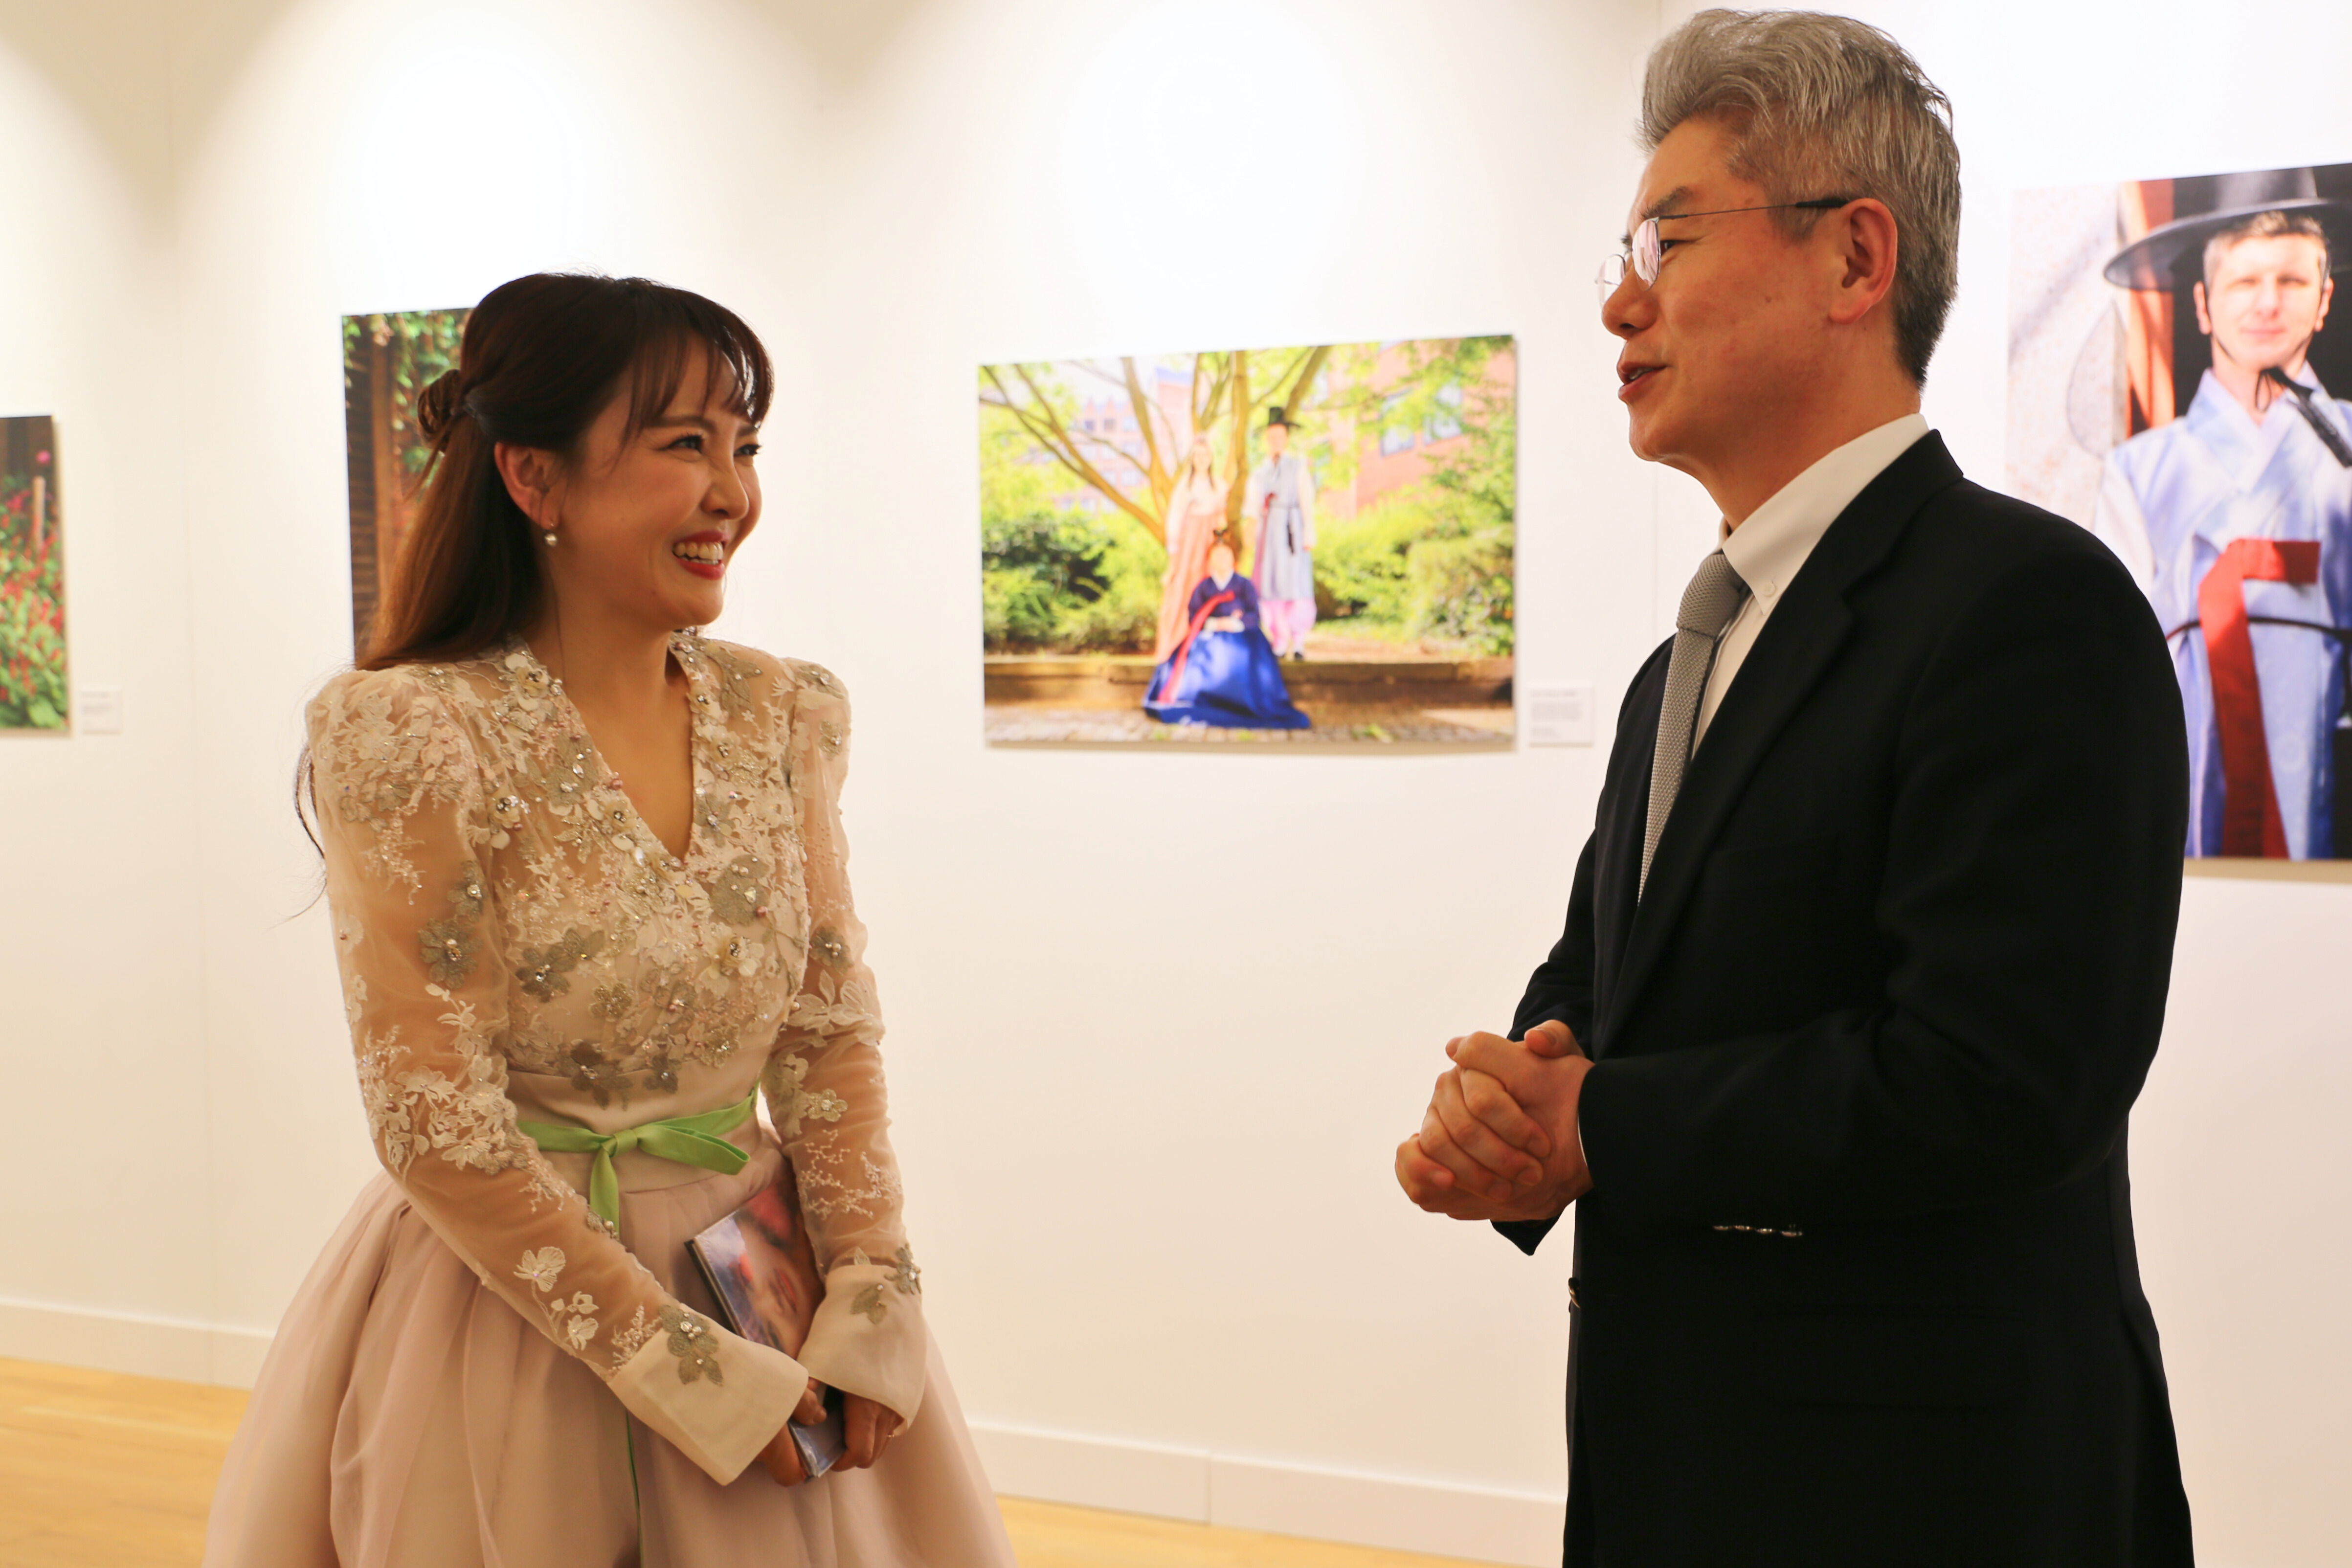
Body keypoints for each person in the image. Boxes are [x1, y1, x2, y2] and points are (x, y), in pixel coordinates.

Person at [1394, 13, 2194, 1567]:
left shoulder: (2029, 606)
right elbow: (1610, 987)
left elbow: (1999, 1077)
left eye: (1669, 239)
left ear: (1853, 259)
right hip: (1683, 1468)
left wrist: (1595, 1121)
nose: (1620, 300)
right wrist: (1505, 1109)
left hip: (1929, 1493)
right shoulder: (1683, 661)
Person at [204, 274, 1014, 1567]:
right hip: (513, 1319)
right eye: (685, 443)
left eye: (745, 446)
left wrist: (871, 1286)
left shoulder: (782, 711)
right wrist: (679, 1367)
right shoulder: (414, 729)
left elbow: (824, 1027)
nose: (731, 492)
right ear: (535, 478)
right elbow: (435, 1121)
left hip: (761, 1285)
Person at [2092, 171, 2352, 858]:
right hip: (2187, 788)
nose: (2268, 303)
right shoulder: (2139, 470)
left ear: (2324, 299)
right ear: (2203, 305)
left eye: (2291, 281)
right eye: (2243, 282)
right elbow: (2113, 667)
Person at [1144, 537, 1310, 730]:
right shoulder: (1204, 587)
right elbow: (1193, 615)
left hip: (1242, 635)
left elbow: (1254, 614)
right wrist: (1214, 623)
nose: (1221, 559)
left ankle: (1243, 702)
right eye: (1217, 555)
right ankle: (1200, 699)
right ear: (1210, 560)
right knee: (1190, 658)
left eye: (1226, 555)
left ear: (1233, 558)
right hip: (1210, 634)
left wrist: (1235, 623)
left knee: (1245, 658)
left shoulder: (1244, 584)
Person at [1243, 406, 1317, 658]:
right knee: (1271, 583)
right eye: (1272, 436)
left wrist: (1309, 532)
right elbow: (1252, 507)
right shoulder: (1259, 473)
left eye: (1280, 436)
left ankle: (1299, 640)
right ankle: (1279, 638)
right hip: (1269, 534)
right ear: (1267, 439)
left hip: (1292, 529)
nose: (1276, 440)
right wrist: (1251, 533)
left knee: (1295, 581)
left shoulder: (1298, 467)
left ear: (1286, 438)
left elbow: (1307, 501)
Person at [1154, 435, 1228, 662]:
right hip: (1191, 543)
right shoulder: (1184, 487)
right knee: (1187, 584)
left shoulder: (1220, 486)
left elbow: (1223, 516)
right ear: (1193, 459)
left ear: (1212, 458)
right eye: (1198, 455)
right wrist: (1174, 551)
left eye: (1206, 455)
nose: (1202, 459)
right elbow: (1175, 519)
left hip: (1212, 542)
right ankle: (1181, 640)